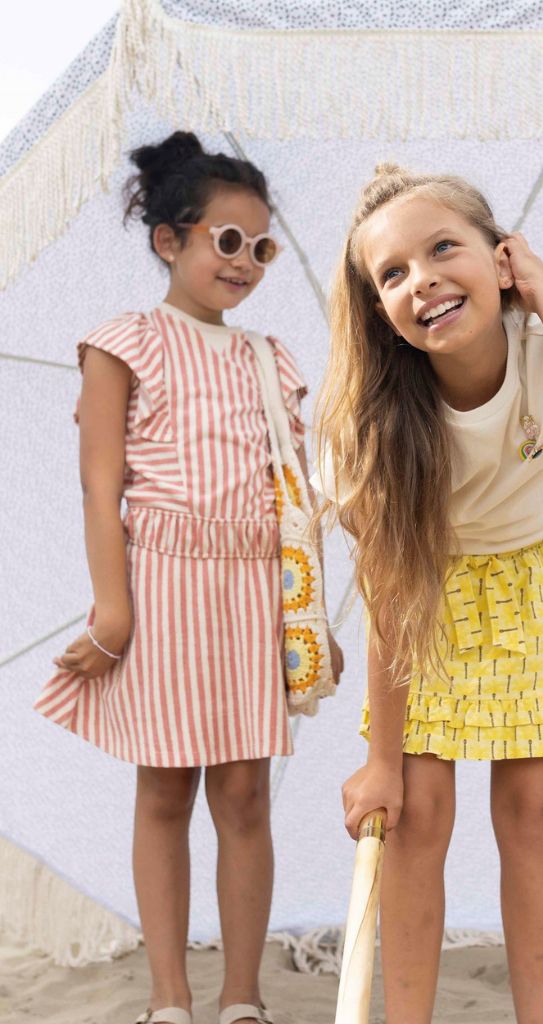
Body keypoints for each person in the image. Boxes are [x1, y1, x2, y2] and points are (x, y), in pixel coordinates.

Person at [313, 164, 543, 1024]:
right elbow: (390, 598)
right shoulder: (376, 425)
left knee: (530, 811)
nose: (420, 277)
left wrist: (539, 288)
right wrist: (382, 759)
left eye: (442, 249)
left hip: (535, 584)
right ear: (381, 315)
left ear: (498, 260)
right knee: (419, 820)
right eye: (391, 274)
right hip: (427, 597)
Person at [35, 131, 343, 1024]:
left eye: (263, 247)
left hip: (253, 591)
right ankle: (169, 997)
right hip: (163, 585)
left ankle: (241, 997)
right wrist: (112, 608)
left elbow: (294, 496)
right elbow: (103, 490)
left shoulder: (269, 358)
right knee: (165, 787)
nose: (246, 263)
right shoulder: (123, 344)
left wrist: (309, 613)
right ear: (170, 240)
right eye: (227, 241)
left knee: (244, 792)